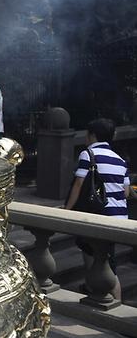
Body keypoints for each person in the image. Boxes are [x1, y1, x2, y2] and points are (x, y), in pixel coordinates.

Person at [65, 118, 133, 299]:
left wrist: (67, 210)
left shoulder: (88, 154)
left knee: (107, 264)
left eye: (87, 134)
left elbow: (78, 185)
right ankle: (92, 287)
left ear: (92, 135)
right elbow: (125, 193)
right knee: (94, 252)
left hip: (100, 215)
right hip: (119, 217)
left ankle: (116, 303)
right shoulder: (120, 160)